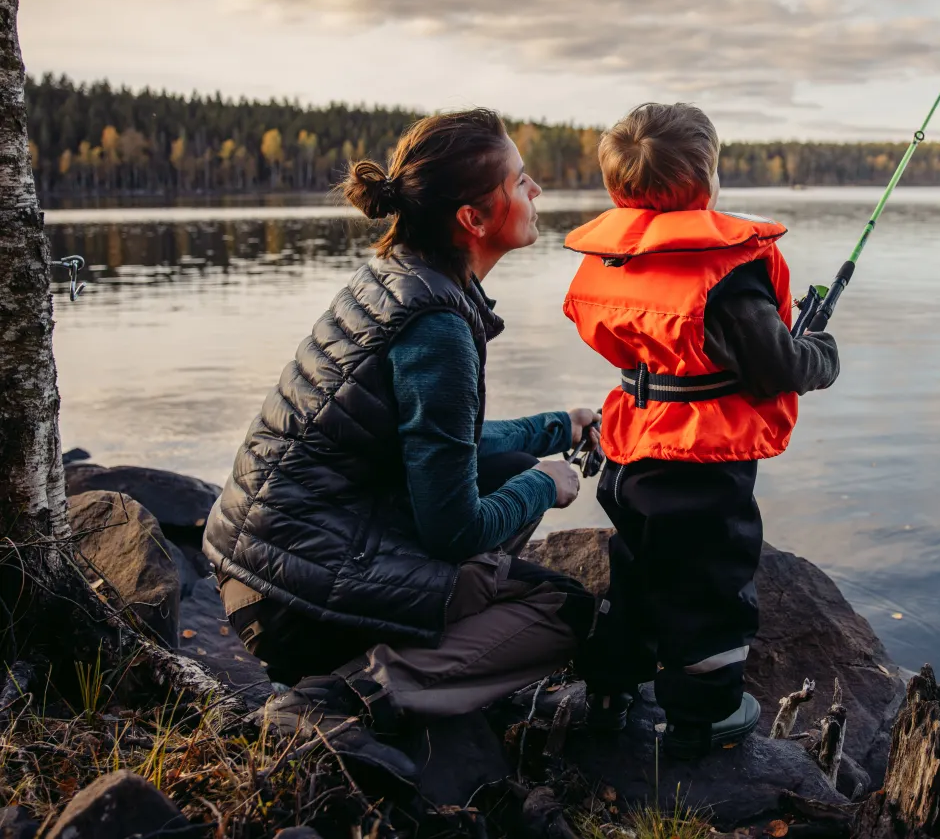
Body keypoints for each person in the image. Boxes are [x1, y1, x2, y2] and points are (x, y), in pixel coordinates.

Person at [203, 108, 598, 734]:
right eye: (521, 180)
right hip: (293, 604)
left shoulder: (401, 279)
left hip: (264, 567)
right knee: (566, 610)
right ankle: (349, 697)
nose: (536, 191)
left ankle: (425, 650)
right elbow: (454, 529)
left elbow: (438, 449)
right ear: (473, 218)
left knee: (509, 467)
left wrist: (559, 428)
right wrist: (544, 486)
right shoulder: (436, 326)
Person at [562, 103, 840, 758]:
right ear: (707, 184)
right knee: (709, 581)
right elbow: (776, 367)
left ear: (618, 192)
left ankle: (607, 690)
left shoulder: (621, 261)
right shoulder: (729, 271)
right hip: (700, 462)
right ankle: (703, 714)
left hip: (631, 450)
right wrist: (822, 353)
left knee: (635, 569)